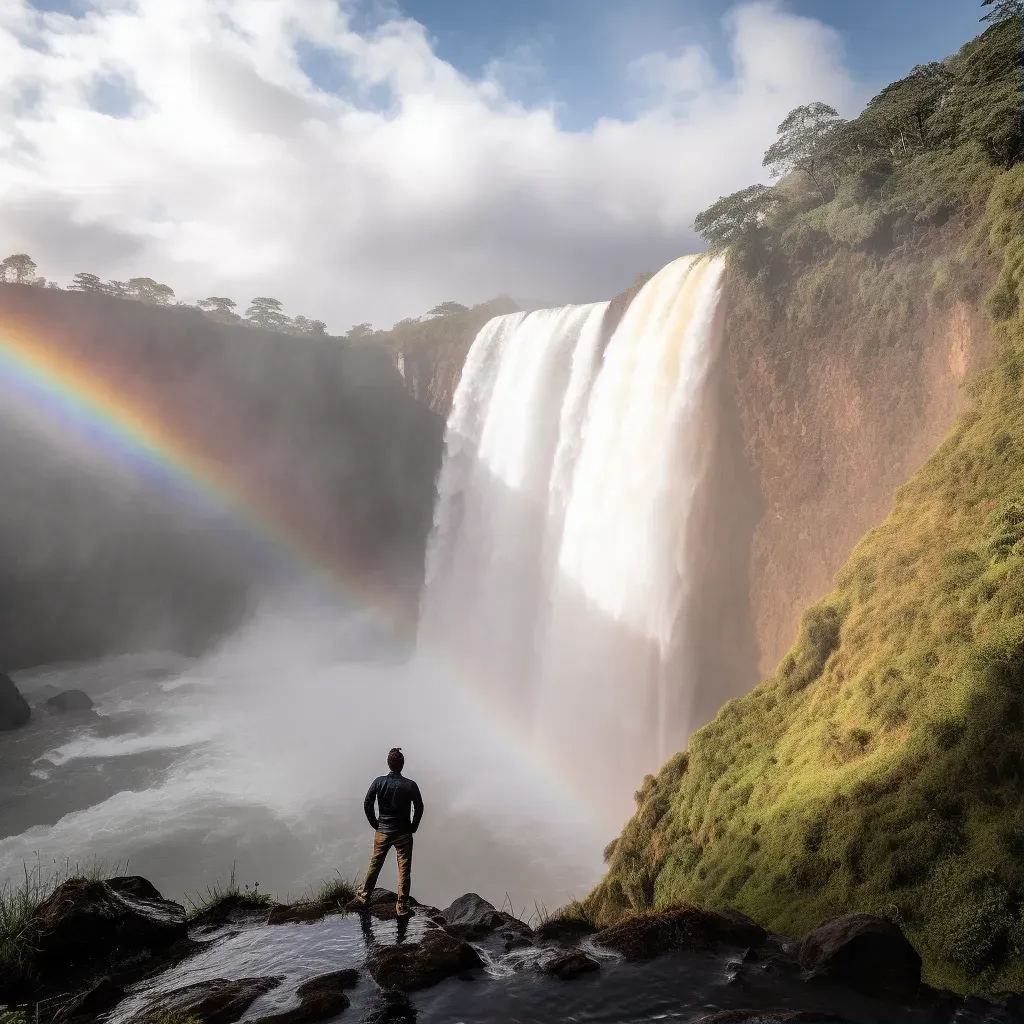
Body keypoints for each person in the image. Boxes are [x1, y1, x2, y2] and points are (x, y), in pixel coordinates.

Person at [353, 747, 424, 916]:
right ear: (402, 764)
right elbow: (419, 807)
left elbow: (367, 804)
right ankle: (402, 905)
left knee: (375, 864)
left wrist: (375, 824)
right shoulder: (410, 785)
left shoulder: (379, 781)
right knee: (404, 868)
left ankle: (364, 895)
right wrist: (413, 827)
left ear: (388, 763)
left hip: (383, 831)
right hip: (403, 832)